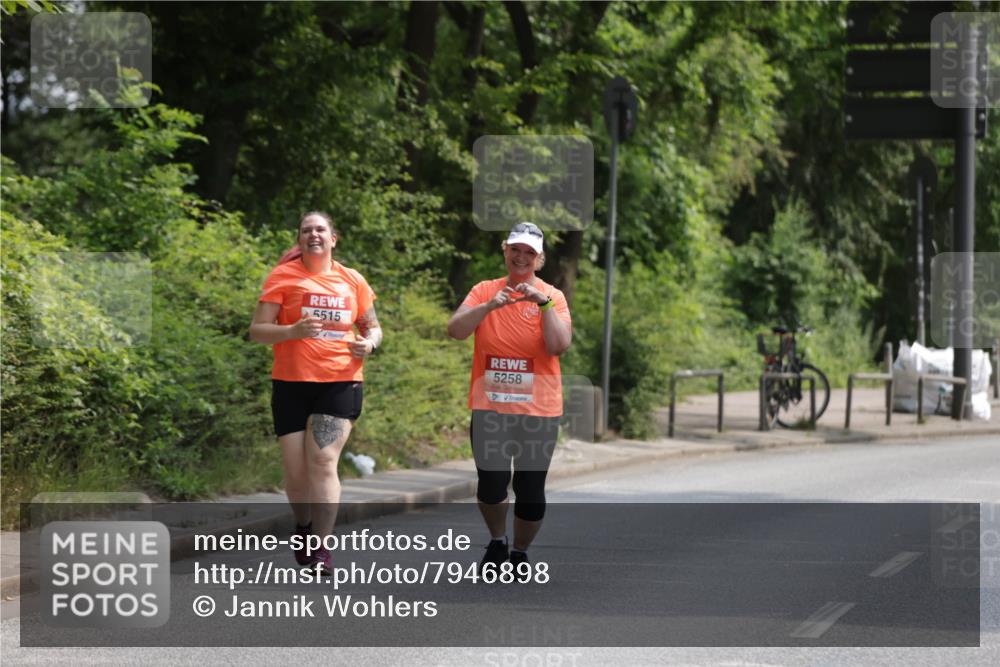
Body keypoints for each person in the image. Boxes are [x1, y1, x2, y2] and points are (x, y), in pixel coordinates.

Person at [249, 211, 381, 570]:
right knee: (296, 472)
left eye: (320, 229)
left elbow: (373, 327)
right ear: (300, 239)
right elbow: (257, 331)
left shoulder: (352, 280)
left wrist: (369, 344)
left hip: (340, 382)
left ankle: (322, 546)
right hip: (291, 383)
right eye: (306, 230)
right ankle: (304, 527)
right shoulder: (283, 276)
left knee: (322, 462)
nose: (313, 234)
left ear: (333, 238)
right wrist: (291, 332)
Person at [447, 221, 572, 575]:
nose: (521, 257)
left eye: (529, 252)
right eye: (515, 249)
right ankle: (498, 540)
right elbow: (455, 330)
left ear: (540, 258)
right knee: (491, 483)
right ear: (505, 250)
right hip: (490, 408)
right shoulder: (484, 290)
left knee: (530, 490)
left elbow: (559, 345)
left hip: (538, 411)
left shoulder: (553, 296)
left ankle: (520, 552)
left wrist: (543, 305)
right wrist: (487, 307)